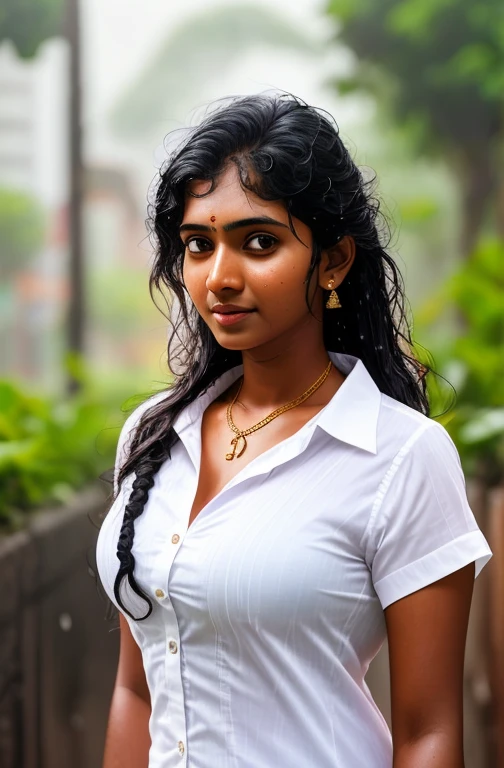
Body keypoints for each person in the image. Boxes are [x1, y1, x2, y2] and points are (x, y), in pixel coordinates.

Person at [96, 93, 492, 768]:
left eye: (259, 242)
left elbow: (429, 734)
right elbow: (137, 691)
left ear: (333, 262)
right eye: (198, 244)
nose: (219, 277)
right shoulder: (154, 434)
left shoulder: (401, 456)